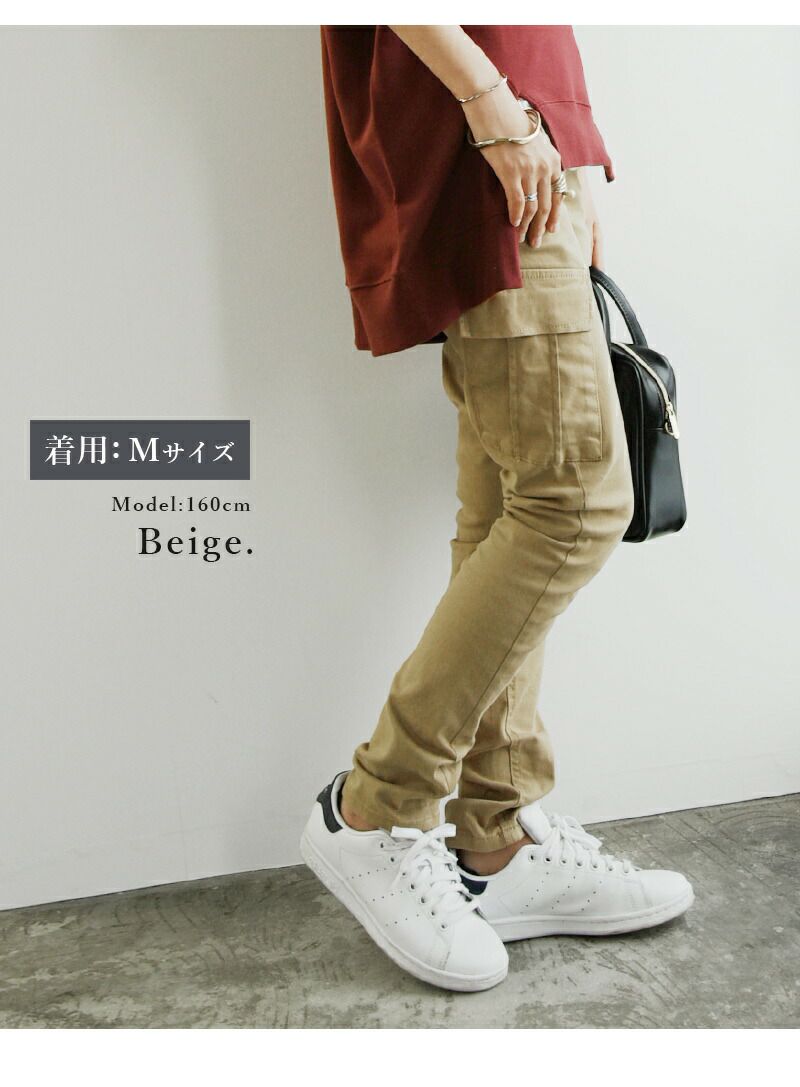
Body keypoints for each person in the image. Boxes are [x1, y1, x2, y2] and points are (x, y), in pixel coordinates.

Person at [301, 25, 693, 993]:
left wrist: (568, 158)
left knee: (508, 512)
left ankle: (499, 837)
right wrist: (491, 108)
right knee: (572, 503)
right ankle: (376, 804)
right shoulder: (486, 119)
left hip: (520, 141)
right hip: (483, 135)